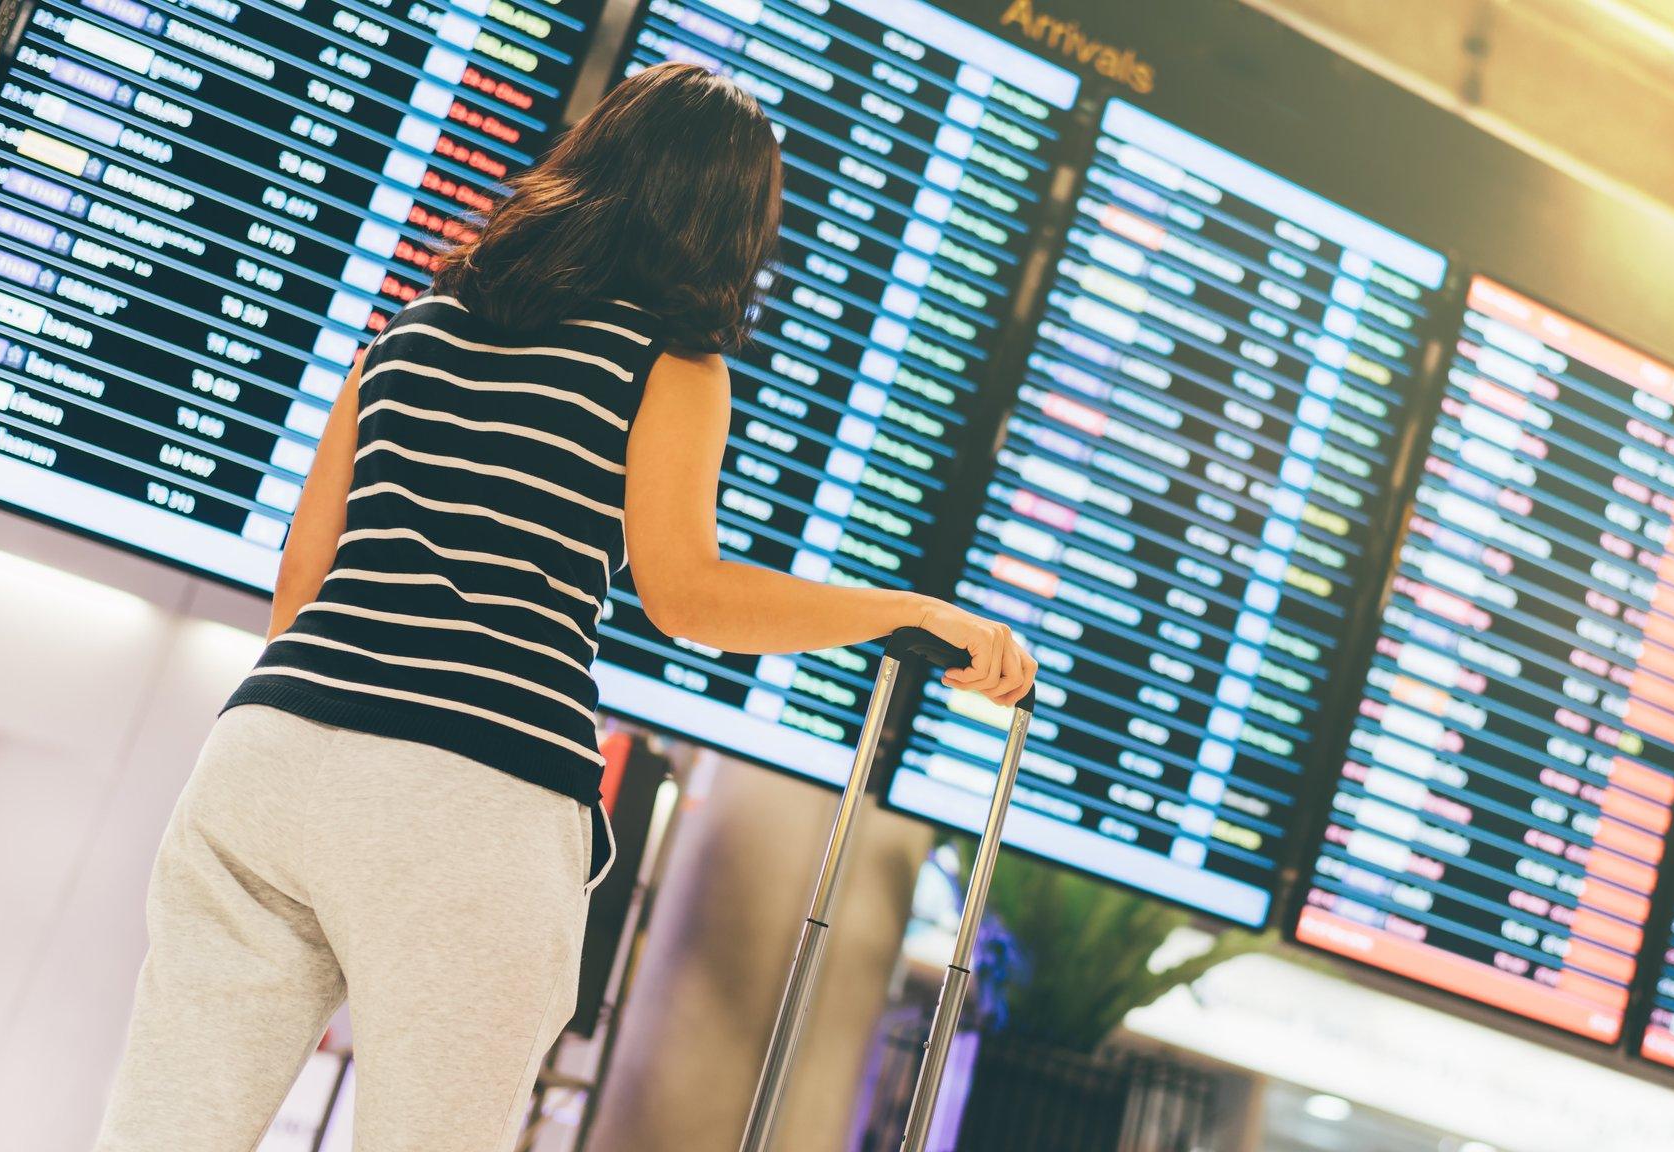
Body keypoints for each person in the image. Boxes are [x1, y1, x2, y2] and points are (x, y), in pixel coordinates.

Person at [94, 62, 1036, 1152]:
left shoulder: (407, 332)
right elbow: (687, 596)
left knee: (163, 1130)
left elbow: (299, 593)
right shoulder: (666, 361)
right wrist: (903, 610)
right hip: (471, 795)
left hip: (267, 762)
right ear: (728, 219)